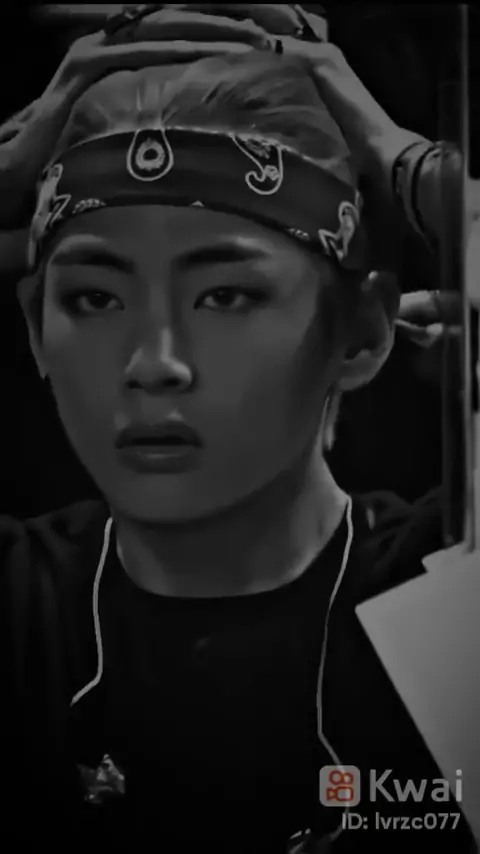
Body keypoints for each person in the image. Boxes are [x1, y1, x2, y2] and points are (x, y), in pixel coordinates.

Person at [0, 6, 476, 853]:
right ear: (37, 328)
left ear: (360, 333)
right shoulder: (20, 607)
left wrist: (422, 174)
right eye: (95, 298)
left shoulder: (454, 600)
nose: (154, 362)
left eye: (225, 295)